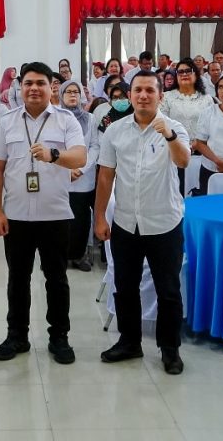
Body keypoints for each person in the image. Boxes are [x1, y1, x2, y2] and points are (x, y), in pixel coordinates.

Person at [0, 62, 86, 365]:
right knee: (18, 278)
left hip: (55, 214)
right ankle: (17, 335)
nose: (33, 88)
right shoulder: (6, 122)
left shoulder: (66, 121)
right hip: (16, 215)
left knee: (56, 279)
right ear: (19, 87)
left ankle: (59, 337)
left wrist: (54, 154)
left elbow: (79, 156)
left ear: (51, 87)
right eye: (27, 83)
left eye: (40, 83)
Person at [95, 70, 190, 374]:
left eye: (150, 90)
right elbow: (106, 175)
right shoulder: (115, 131)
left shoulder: (174, 128)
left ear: (161, 95)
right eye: (138, 90)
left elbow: (183, 160)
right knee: (124, 287)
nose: (143, 96)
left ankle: (170, 348)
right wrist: (99, 216)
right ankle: (129, 342)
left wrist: (169, 136)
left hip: (164, 223)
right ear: (129, 95)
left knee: (168, 290)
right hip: (126, 222)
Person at [159, 57, 213, 194]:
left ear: (196, 73)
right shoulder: (167, 97)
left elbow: (211, 126)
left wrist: (197, 144)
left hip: (201, 154)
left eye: (188, 71)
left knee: (199, 195)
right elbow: (163, 123)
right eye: (180, 72)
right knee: (177, 194)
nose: (184, 74)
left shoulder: (206, 99)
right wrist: (181, 144)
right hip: (174, 152)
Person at [60, 79, 98, 272]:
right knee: (59, 220)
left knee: (81, 219)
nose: (73, 95)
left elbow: (94, 146)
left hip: (84, 178)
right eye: (68, 92)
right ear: (61, 95)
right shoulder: (55, 118)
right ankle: (58, 256)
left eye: (76, 91)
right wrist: (67, 170)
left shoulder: (90, 119)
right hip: (60, 177)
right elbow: (54, 148)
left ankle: (77, 256)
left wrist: (81, 169)